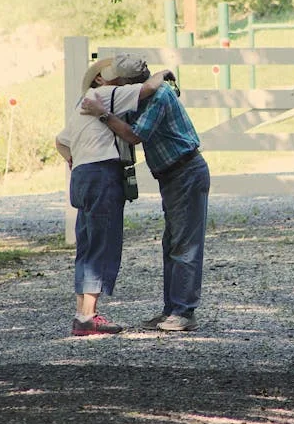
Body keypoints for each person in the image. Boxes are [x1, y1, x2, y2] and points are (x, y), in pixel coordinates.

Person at [81, 67, 210, 332]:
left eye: (120, 82)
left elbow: (134, 135)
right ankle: (171, 310)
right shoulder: (140, 97)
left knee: (184, 245)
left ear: (131, 82)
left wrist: (102, 114)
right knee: (172, 243)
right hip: (173, 175)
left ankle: (184, 313)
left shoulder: (158, 96)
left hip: (185, 171)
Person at [55, 54, 174, 336]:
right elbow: (148, 88)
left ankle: (81, 313)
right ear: (101, 79)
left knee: (86, 244)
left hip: (82, 175)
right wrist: (165, 72)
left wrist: (73, 158)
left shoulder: (81, 105)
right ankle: (89, 316)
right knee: (103, 243)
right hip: (102, 172)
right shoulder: (107, 95)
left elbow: (60, 142)